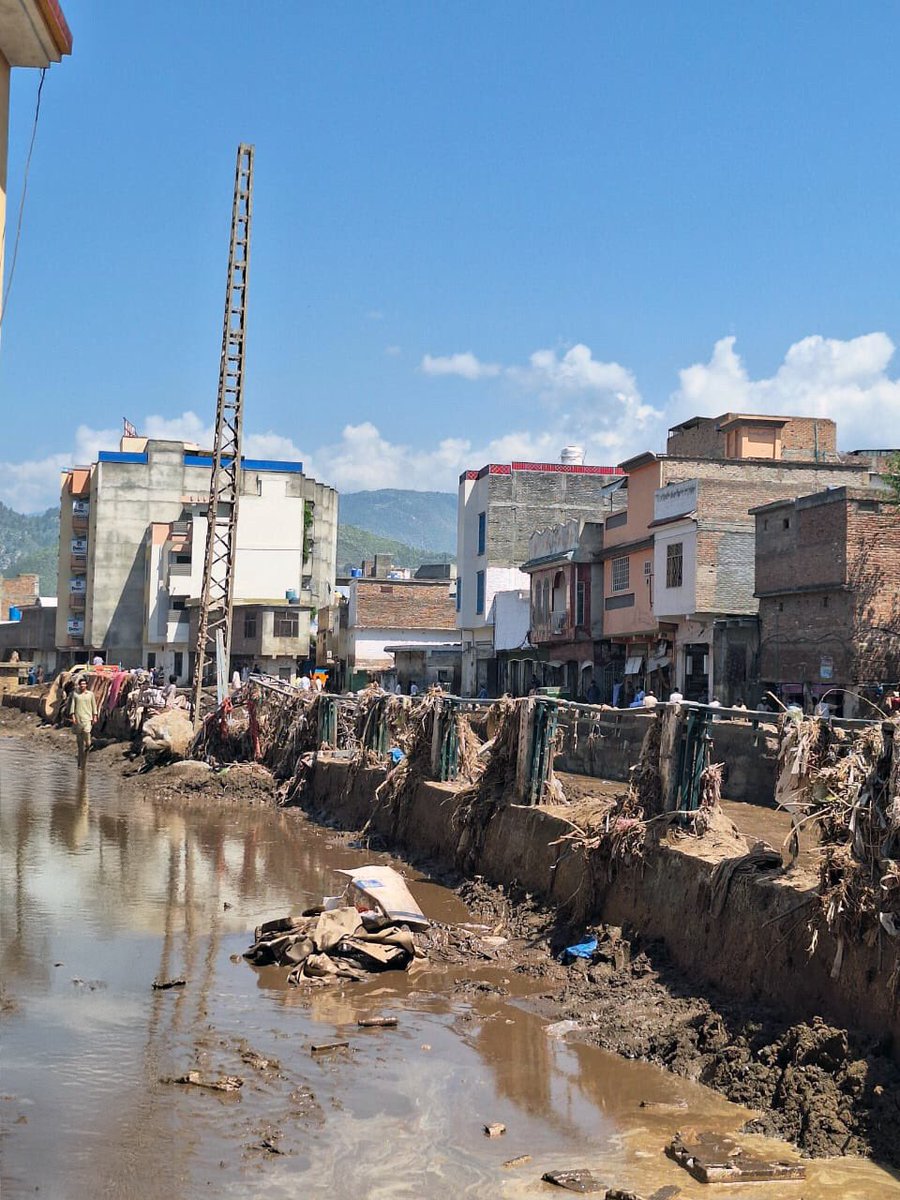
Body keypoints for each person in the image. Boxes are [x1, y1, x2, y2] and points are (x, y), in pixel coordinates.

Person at [68, 676, 98, 768]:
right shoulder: (75, 694)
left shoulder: (90, 694)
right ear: (79, 685)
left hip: (87, 719)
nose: (82, 686)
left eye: (84, 684)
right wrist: (73, 716)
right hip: (78, 720)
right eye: (81, 684)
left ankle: (86, 752)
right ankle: (80, 763)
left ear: (86, 685)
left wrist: (95, 716)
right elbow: (72, 706)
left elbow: (94, 705)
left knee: (88, 742)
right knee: (80, 744)